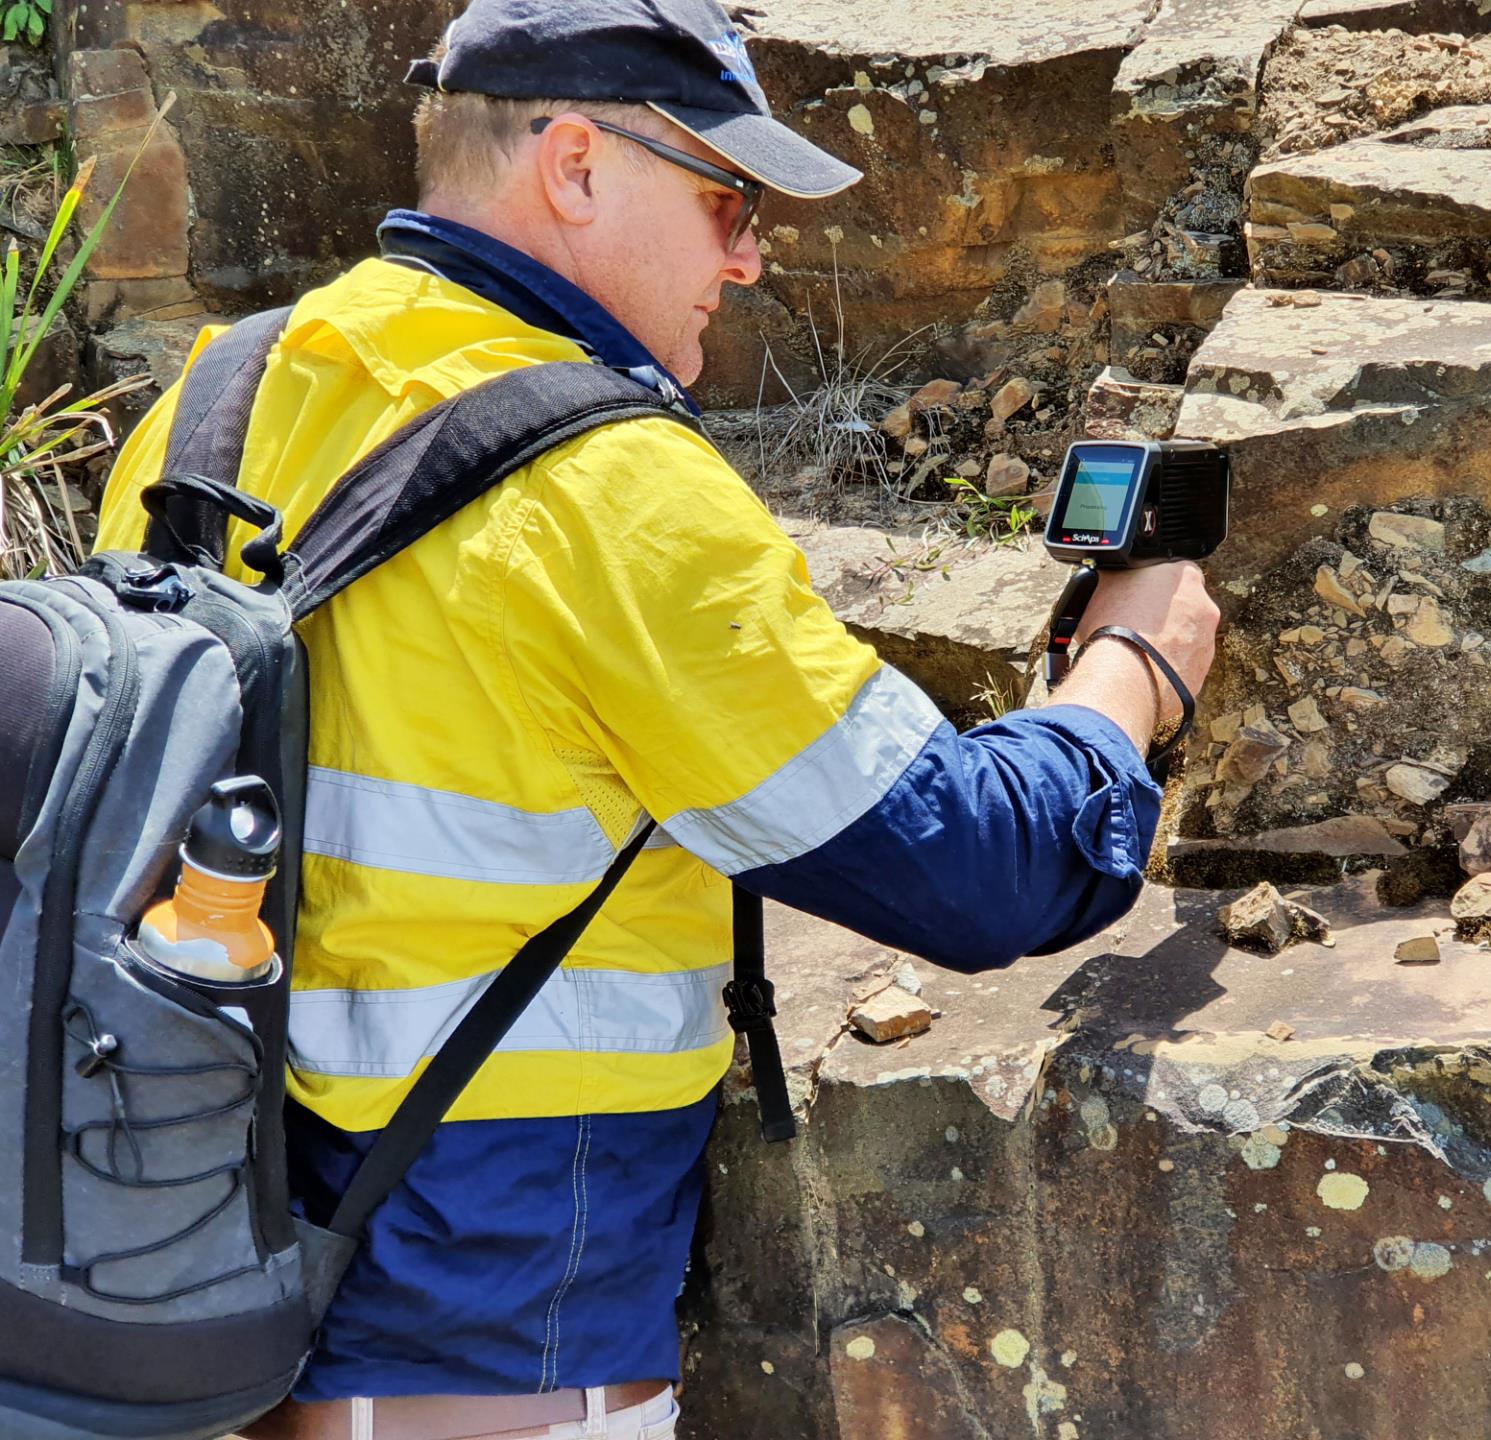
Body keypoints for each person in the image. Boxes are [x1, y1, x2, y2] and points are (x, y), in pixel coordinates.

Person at [93, 0, 1220, 1435]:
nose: (750, 256)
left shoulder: (218, 390)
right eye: (725, 200)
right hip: (488, 1304)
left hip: (177, 1258)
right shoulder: (606, 484)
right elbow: (974, 866)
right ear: (573, 164)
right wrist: (1132, 672)